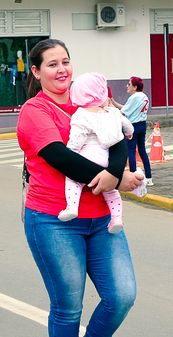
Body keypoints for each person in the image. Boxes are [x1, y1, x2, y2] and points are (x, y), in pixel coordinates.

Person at [17, 39, 143, 337]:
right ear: (36, 71)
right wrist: (115, 179)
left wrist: (115, 173)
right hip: (54, 220)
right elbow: (59, 157)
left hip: (101, 219)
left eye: (66, 62)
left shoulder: (89, 100)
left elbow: (117, 135)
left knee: (122, 295)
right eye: (51, 64)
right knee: (69, 305)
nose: (62, 70)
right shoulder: (35, 111)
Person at [59, 73, 142, 232]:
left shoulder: (81, 114)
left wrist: (70, 153)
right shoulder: (112, 112)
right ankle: (116, 218)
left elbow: (77, 137)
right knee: (111, 190)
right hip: (106, 161)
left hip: (86, 159)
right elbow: (128, 126)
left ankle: (72, 207)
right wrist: (129, 133)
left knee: (73, 181)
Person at [108, 76, 152, 185]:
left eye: (129, 84)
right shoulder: (143, 96)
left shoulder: (134, 97)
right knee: (142, 150)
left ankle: (133, 176)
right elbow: (126, 108)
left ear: (135, 87)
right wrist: (113, 102)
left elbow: (122, 112)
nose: (127, 86)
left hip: (133, 126)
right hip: (142, 124)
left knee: (131, 151)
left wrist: (110, 107)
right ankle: (149, 176)